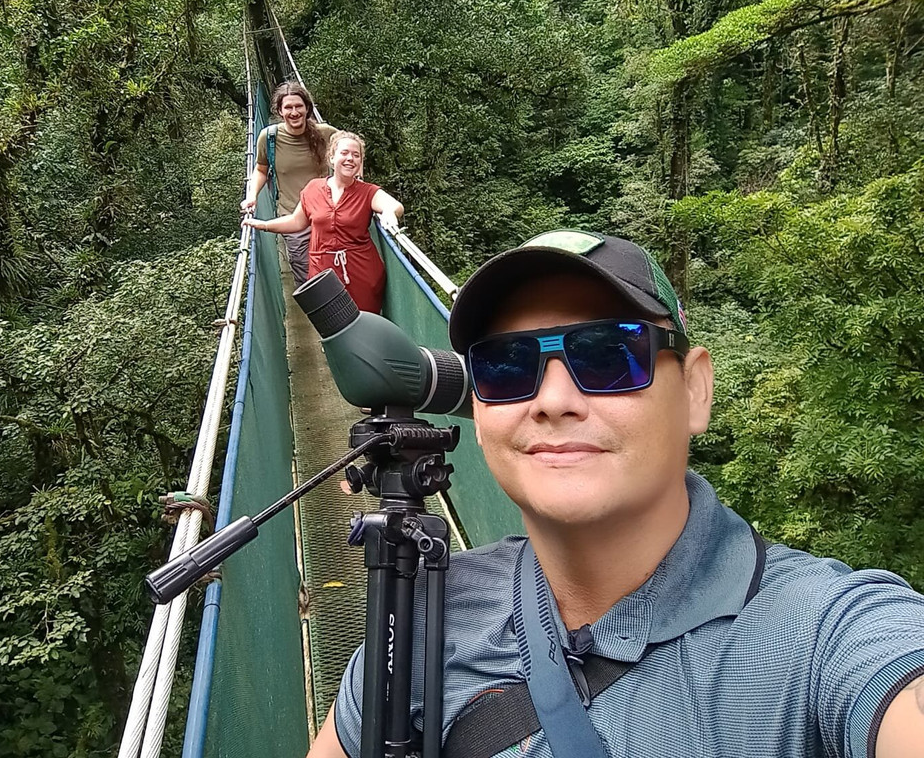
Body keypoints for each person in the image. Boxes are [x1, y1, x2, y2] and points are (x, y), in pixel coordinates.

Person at [306, 229, 924, 757]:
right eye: (506, 365)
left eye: (607, 356)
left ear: (695, 390)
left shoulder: (819, 635)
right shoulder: (429, 609)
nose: (552, 401)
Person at [243, 131, 402, 314]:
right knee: (329, 326)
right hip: (322, 272)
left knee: (362, 326)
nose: (350, 158)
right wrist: (263, 225)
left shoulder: (368, 192)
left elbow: (395, 206)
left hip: (362, 273)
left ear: (360, 163)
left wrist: (389, 212)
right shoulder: (313, 188)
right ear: (332, 157)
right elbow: (297, 221)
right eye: (344, 153)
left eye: (356, 155)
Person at [241, 82, 337, 287]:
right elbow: (261, 169)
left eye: (298, 106)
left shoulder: (325, 133)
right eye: (288, 107)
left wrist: (359, 184)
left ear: (307, 108)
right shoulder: (269, 137)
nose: (294, 112)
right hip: (291, 219)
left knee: (335, 269)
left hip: (327, 216)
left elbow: (353, 150)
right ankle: (321, 315)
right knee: (306, 277)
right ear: (279, 111)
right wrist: (252, 196)